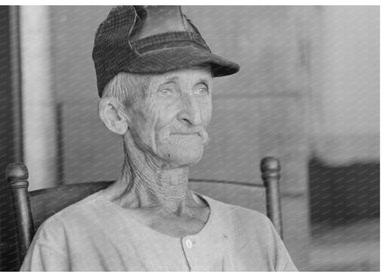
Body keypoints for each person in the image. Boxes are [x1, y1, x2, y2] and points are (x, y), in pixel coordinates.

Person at [21, 6, 297, 271]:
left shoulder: (255, 230)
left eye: (201, 89)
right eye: (167, 90)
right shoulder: (67, 238)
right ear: (115, 115)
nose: (193, 115)